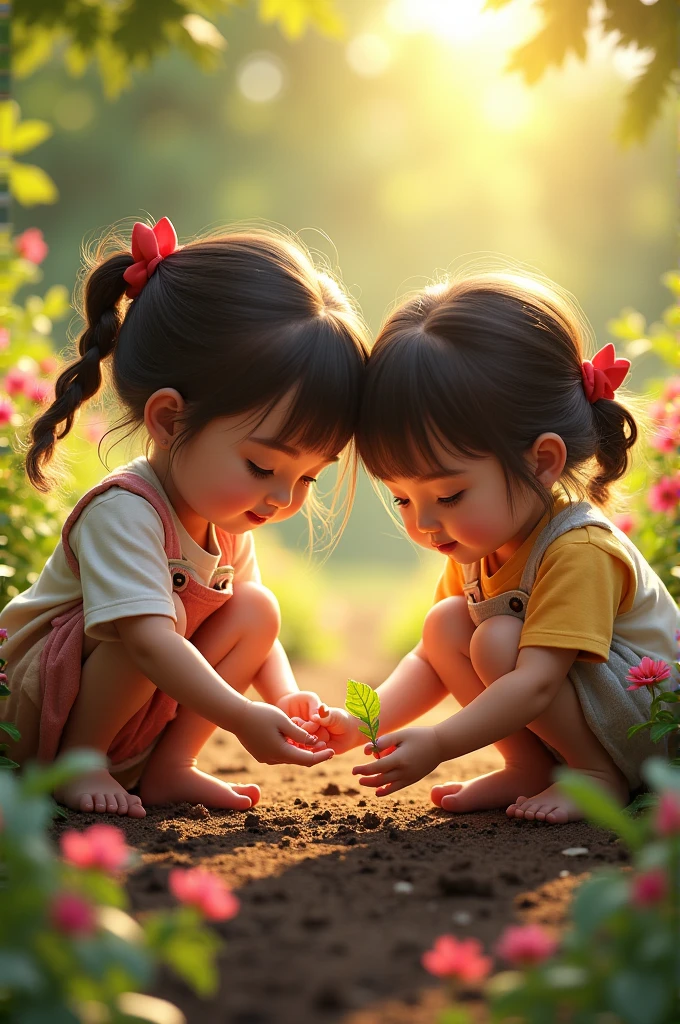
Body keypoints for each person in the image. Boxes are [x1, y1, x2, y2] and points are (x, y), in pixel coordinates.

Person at [0, 217, 369, 818]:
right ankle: (81, 761)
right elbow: (149, 645)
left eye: (307, 477)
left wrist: (282, 697)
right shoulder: (125, 511)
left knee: (256, 607)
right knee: (149, 619)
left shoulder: (223, 518)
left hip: (128, 704)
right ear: (170, 421)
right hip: (39, 709)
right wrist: (241, 717)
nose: (282, 497)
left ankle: (170, 768)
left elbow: (252, 626)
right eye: (261, 464)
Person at [312, 271, 679, 824]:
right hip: (593, 711)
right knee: (446, 624)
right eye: (403, 500)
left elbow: (534, 684)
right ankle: (531, 767)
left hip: (650, 724)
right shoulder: (482, 546)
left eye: (450, 494)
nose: (426, 523)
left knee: (497, 638)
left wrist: (438, 743)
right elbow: (433, 657)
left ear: (541, 462)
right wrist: (366, 722)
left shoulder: (579, 547)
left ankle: (595, 778)